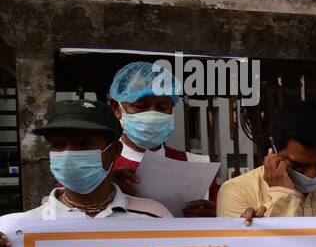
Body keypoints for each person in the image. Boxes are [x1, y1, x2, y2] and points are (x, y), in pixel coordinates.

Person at [216, 100, 316, 222]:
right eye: (299, 165)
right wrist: (282, 196)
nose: (311, 175)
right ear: (274, 148)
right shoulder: (237, 192)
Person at [18, 100, 171, 224]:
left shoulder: (155, 216)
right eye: (58, 145)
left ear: (115, 151)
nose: (68, 153)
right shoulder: (25, 227)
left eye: (83, 144)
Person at [105, 60, 217, 217]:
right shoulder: (96, 167)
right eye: (141, 107)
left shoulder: (196, 167)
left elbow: (223, 225)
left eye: (162, 107)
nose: (152, 115)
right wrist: (104, 189)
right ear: (117, 108)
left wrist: (217, 215)